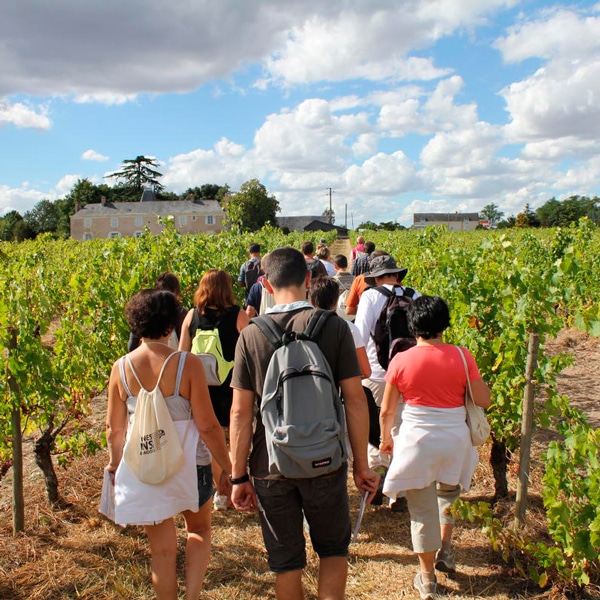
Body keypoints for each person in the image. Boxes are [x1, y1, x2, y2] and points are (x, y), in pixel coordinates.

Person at [229, 247, 379, 600]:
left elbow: (240, 413)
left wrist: (238, 476)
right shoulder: (334, 328)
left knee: (286, 562)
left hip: (270, 465)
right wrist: (361, 463)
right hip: (325, 460)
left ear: (265, 283)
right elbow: (355, 401)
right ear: (309, 279)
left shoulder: (251, 335)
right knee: (332, 551)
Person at [106, 288, 232, 599]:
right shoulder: (186, 364)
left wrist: (114, 462)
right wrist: (228, 467)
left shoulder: (121, 368)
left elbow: (114, 428)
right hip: (192, 466)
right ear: (171, 325)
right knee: (199, 531)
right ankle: (192, 596)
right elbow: (208, 425)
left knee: (161, 551)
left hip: (146, 465)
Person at [379, 295, 491, 599]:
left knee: (421, 507)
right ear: (445, 323)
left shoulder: (401, 360)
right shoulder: (462, 356)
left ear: (413, 326)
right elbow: (483, 400)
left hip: (417, 441)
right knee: (447, 496)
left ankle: (427, 577)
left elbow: (387, 410)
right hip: (455, 440)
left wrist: (385, 439)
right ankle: (447, 551)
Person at [179, 269, 249, 509]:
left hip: (202, 387)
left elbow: (182, 355)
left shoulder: (191, 317)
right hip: (232, 385)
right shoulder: (238, 315)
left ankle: (221, 491)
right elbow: (249, 350)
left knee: (213, 437)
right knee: (234, 435)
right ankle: (236, 482)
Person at [354, 255, 421, 507]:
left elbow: (359, 334)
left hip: (376, 372)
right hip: (409, 372)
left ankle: (377, 482)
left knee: (375, 429)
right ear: (396, 274)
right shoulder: (415, 295)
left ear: (377, 276)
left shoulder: (371, 296)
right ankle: (400, 492)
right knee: (401, 427)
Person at [127, 272, 187, 351]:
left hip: (144, 358)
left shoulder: (144, 306)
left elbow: (132, 346)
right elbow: (185, 346)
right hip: (173, 360)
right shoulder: (179, 312)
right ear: (176, 291)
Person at [344, 250, 389, 317]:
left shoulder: (360, 280)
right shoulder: (394, 280)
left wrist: (365, 309)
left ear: (370, 262)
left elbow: (349, 310)